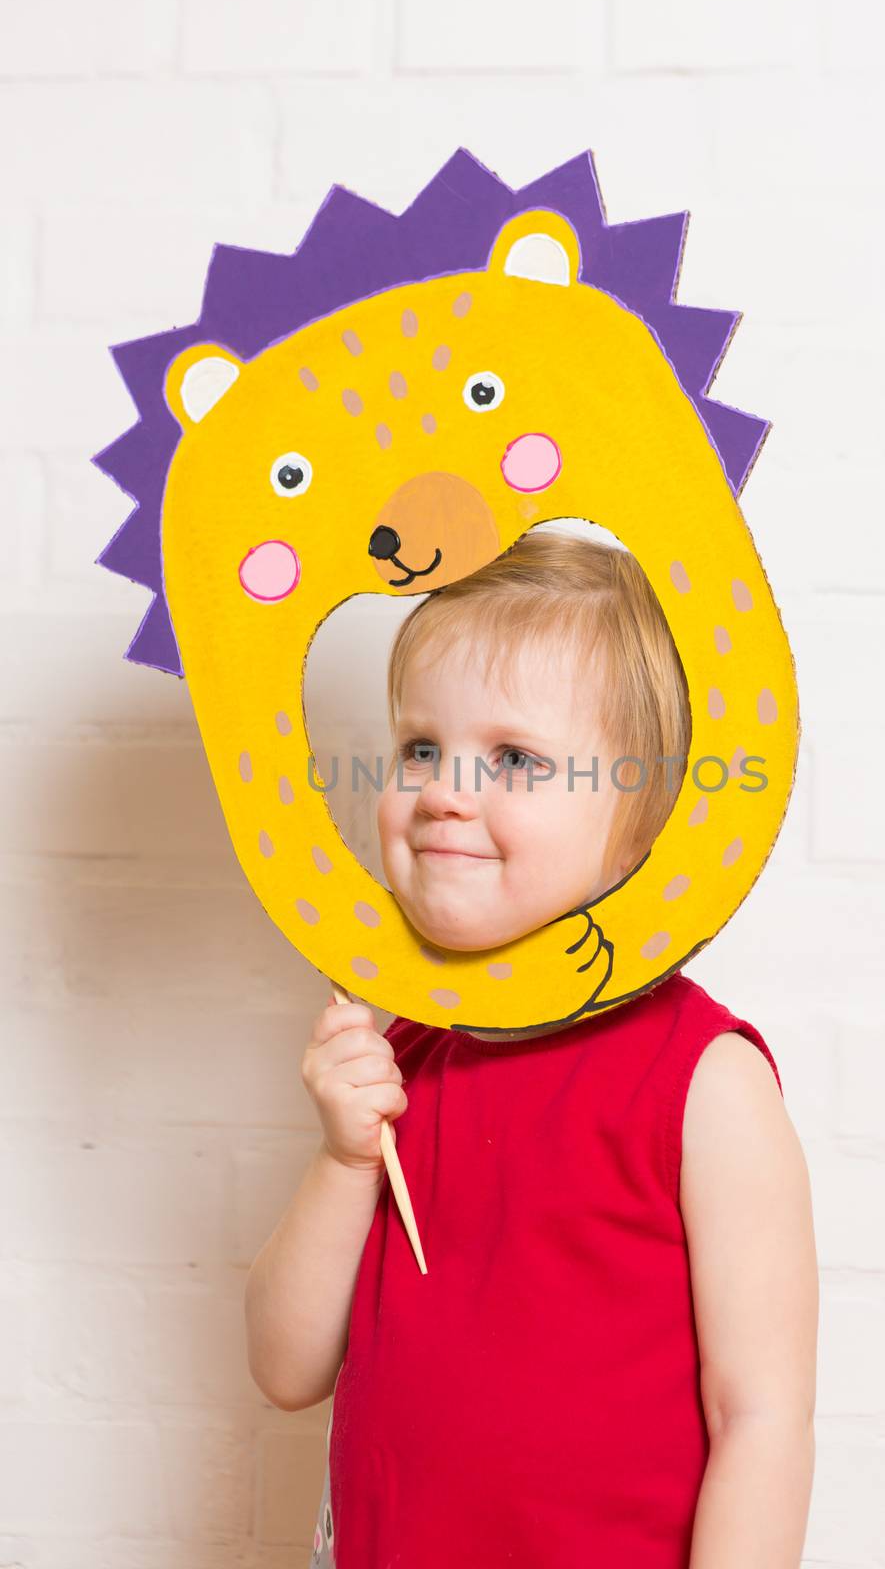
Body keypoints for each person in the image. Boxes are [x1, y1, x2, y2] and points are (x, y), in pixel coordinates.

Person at [244, 530, 818, 1568]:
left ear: (645, 823)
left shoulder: (704, 1081)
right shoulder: (404, 1057)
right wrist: (340, 1157)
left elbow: (761, 1417)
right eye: (419, 746)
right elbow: (285, 1369)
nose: (443, 791)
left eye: (513, 758)